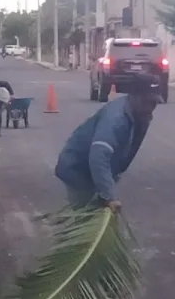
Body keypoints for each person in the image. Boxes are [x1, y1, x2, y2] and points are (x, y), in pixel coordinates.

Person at [54, 80, 159, 210]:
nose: (151, 107)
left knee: (97, 211)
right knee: (86, 215)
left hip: (94, 172)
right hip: (77, 169)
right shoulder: (116, 119)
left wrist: (113, 178)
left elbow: (127, 151)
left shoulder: (140, 116)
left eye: (154, 103)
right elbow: (99, 157)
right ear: (134, 97)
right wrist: (109, 196)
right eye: (147, 102)